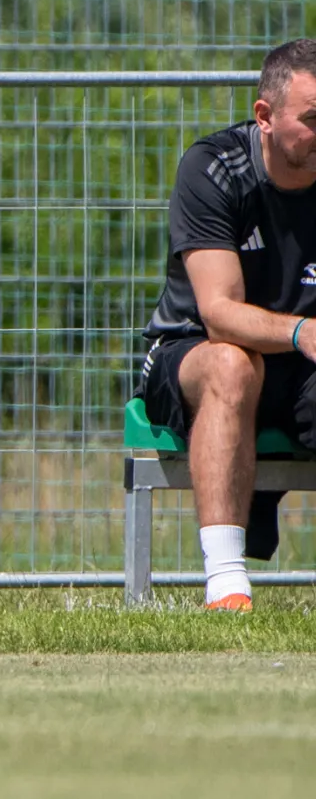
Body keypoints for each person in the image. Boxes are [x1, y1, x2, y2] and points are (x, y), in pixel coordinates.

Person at [134, 37, 316, 612]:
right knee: (233, 365)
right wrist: (302, 332)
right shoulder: (213, 168)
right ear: (265, 115)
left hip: (301, 363)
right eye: (313, 120)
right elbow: (219, 313)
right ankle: (227, 587)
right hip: (193, 352)